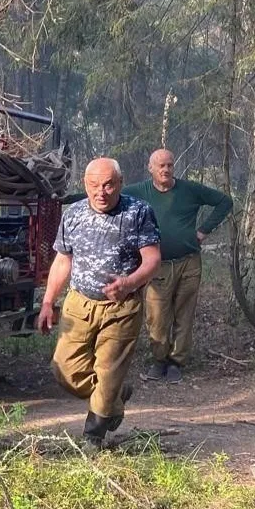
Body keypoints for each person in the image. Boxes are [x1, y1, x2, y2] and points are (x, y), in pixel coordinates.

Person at [37, 157, 161, 449]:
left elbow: (153, 260)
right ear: (85, 184)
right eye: (94, 185)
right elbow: (63, 260)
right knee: (64, 369)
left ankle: (93, 435)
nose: (101, 192)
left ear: (119, 183)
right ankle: (114, 397)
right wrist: (47, 301)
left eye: (108, 185)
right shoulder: (74, 214)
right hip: (79, 304)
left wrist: (128, 283)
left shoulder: (138, 212)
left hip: (122, 307)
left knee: (108, 372)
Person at [124, 149, 232, 383]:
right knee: (156, 317)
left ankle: (176, 363)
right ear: (150, 168)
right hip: (157, 267)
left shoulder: (189, 190)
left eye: (169, 165)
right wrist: (63, 199)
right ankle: (159, 360)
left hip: (188, 263)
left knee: (184, 314)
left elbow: (224, 202)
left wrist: (203, 231)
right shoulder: (140, 191)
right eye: (161, 165)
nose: (166, 170)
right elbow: (105, 193)